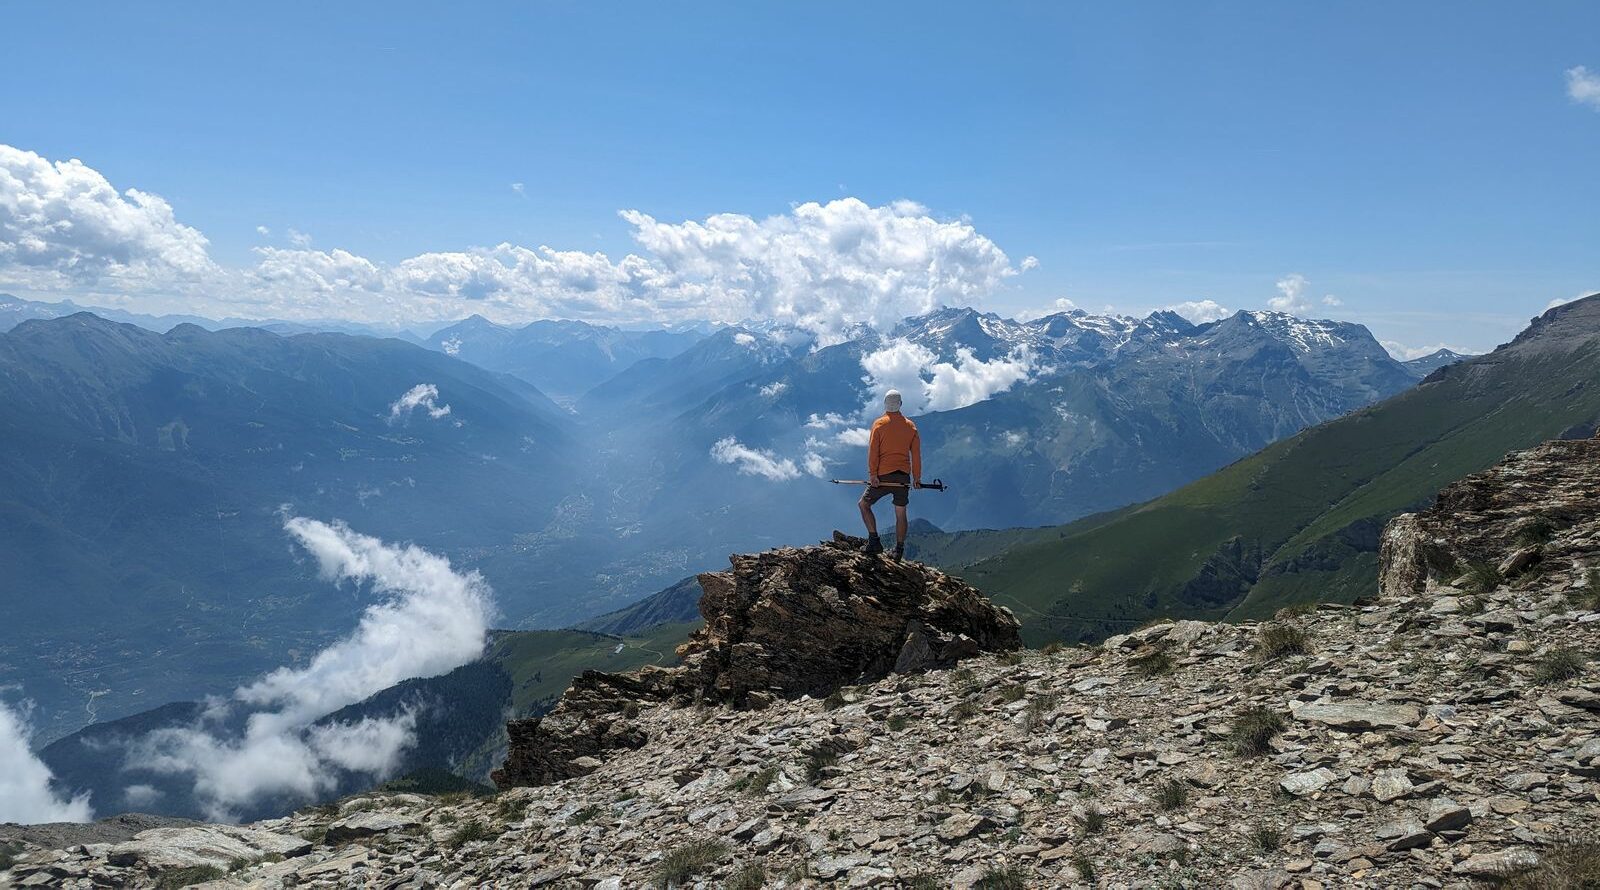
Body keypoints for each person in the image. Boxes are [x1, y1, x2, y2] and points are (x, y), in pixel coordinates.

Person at [859, 389, 922, 558]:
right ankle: (899, 551)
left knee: (864, 505)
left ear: (885, 404)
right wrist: (917, 478)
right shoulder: (911, 427)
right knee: (901, 513)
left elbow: (873, 452)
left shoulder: (879, 424)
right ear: (900, 404)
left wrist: (873, 475)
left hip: (883, 476)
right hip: (903, 477)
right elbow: (916, 455)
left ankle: (874, 541)